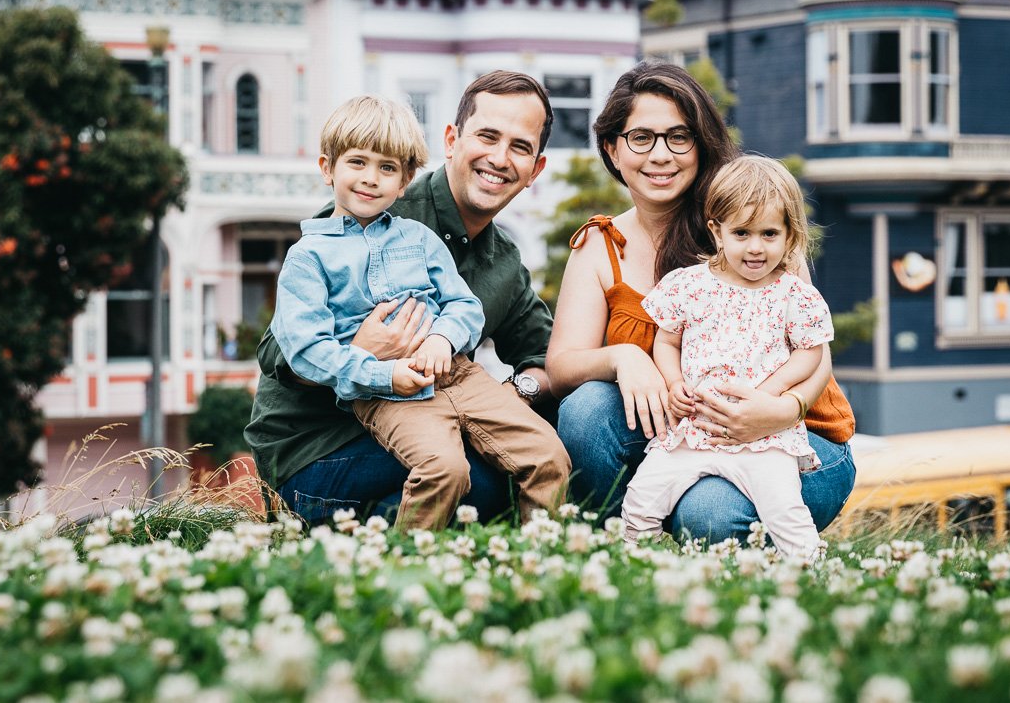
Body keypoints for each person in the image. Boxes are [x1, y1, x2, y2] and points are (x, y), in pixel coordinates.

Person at [547, 61, 856, 542]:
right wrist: (627, 357)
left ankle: (710, 535)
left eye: (678, 137)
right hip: (682, 434)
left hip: (793, 436)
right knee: (586, 411)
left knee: (708, 513)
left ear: (701, 143)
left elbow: (816, 355)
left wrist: (781, 410)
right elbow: (561, 366)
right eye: (641, 137)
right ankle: (614, 546)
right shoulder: (600, 246)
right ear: (612, 147)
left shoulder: (753, 228)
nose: (661, 155)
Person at [247, 71, 559, 526]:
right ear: (452, 139)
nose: (499, 158)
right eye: (487, 136)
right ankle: (389, 561)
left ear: (536, 168)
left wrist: (514, 392)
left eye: (519, 146)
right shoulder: (379, 206)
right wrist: (365, 350)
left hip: (432, 410)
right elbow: (279, 352)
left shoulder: (503, 263)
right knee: (472, 477)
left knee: (526, 453)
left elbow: (547, 355)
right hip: (319, 446)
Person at [622, 155, 833, 558]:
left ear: (790, 236)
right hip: (693, 430)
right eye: (742, 233)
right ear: (717, 231)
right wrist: (673, 383)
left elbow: (810, 353)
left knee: (785, 510)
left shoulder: (793, 294)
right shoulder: (689, 285)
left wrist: (771, 392)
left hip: (764, 438)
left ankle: (811, 572)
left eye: (770, 234)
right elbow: (666, 342)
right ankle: (634, 565)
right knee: (641, 499)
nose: (756, 248)